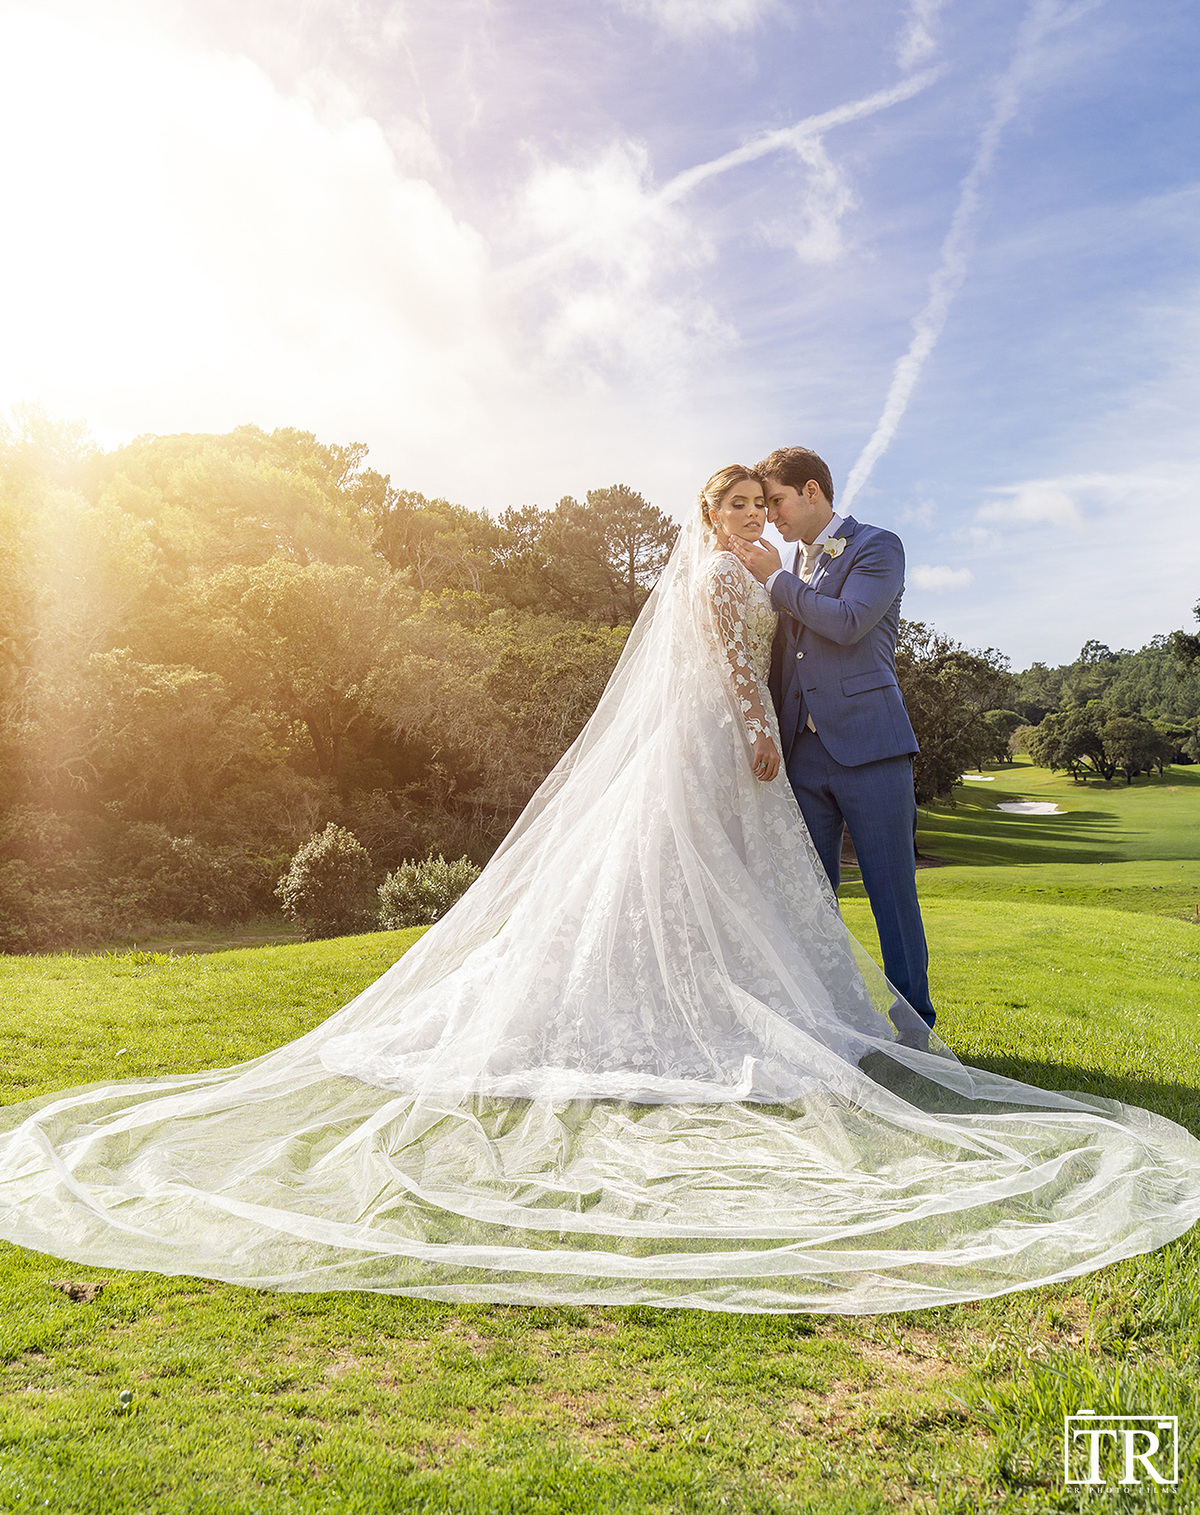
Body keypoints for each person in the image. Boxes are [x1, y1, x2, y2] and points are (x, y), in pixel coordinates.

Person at [0, 468, 1197, 1314]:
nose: (755, 517)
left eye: (763, 504)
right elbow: (737, 661)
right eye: (739, 505)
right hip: (737, 741)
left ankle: (871, 1013)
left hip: (794, 746)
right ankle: (737, 1008)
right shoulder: (731, 576)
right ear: (714, 514)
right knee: (700, 875)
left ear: (789, 504)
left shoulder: (812, 559)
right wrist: (758, 725)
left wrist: (768, 669)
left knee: (765, 887)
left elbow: (809, 635)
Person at [726, 447, 935, 1037]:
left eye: (776, 501)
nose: (770, 515)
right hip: (803, 755)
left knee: (892, 891)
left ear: (812, 491)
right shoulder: (789, 562)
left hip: (872, 745)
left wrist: (775, 580)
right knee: (811, 897)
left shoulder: (877, 547)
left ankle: (915, 1027)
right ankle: (829, 1024)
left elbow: (847, 622)